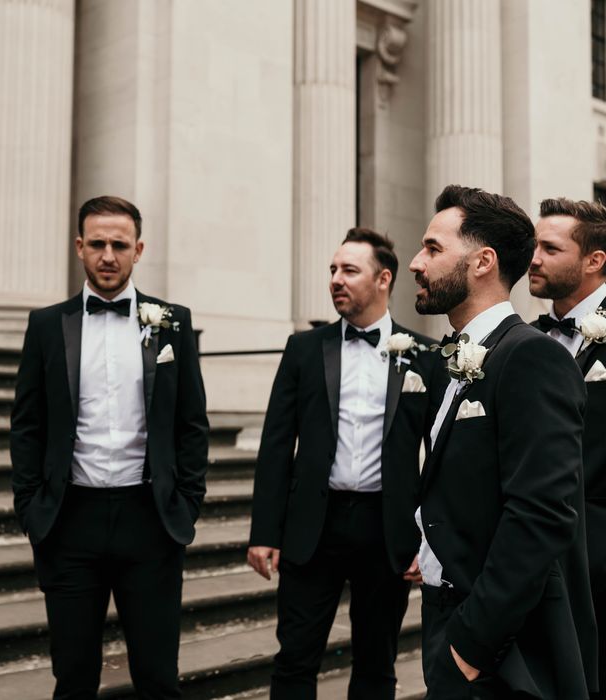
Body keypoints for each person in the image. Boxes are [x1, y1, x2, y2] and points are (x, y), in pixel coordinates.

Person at [10, 195, 209, 699]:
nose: (108, 255)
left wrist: (186, 501)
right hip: (69, 520)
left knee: (158, 675)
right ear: (79, 247)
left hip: (150, 520)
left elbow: (192, 424)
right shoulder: (46, 326)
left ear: (138, 250)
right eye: (96, 243)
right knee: (73, 676)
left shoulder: (173, 323)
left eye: (119, 244)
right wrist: (32, 509)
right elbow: (27, 425)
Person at [410, 185, 597, 699]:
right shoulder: (454, 360)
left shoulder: (531, 358)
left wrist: (470, 648)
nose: (414, 263)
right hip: (446, 613)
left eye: (432, 248)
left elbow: (542, 514)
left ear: (482, 262)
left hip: (500, 644)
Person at [248, 228, 445, 699]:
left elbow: (441, 456)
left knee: (377, 664)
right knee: (295, 658)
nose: (336, 279)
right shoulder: (303, 349)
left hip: (387, 529)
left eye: (349, 271)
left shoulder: (425, 357)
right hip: (314, 525)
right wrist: (263, 532)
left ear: (383, 280)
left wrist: (430, 538)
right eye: (333, 270)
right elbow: (276, 443)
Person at [529, 197, 606, 699]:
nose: (532, 258)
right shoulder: (529, 339)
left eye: (549, 248)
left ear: (594, 260)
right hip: (536, 556)